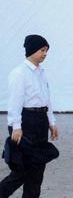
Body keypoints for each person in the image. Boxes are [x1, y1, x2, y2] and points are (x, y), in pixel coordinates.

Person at [0, 35, 59, 198]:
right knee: (23, 170)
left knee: (37, 171)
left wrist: (51, 122)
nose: (45, 54)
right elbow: (14, 102)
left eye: (46, 51)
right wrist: (16, 127)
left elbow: (46, 99)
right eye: (42, 50)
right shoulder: (19, 73)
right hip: (26, 123)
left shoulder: (42, 73)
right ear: (32, 50)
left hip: (40, 123)